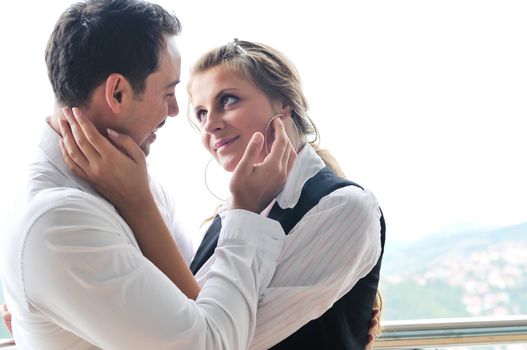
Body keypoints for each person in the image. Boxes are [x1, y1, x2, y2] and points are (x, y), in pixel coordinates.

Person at [0, 1, 295, 349]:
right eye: (168, 93)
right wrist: (244, 209)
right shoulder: (58, 222)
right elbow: (211, 342)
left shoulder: (133, 181)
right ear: (118, 92)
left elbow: (200, 298)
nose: (173, 111)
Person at [57, 39, 386, 349]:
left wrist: (137, 200)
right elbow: (187, 314)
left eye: (227, 100)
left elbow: (218, 339)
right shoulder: (229, 216)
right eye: (200, 114)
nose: (210, 125)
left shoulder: (346, 208)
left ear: (284, 104)